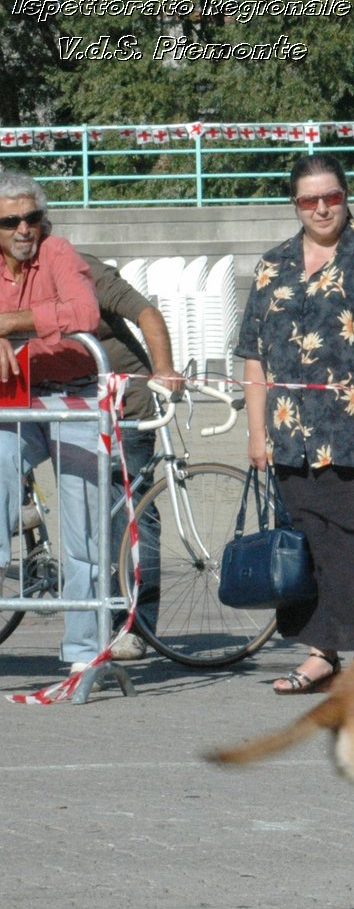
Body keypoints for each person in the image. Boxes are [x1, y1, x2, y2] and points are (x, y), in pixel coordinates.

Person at [234, 153, 354, 694]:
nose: (322, 208)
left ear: (346, 196)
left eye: (331, 197)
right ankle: (321, 653)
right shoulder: (272, 265)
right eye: (309, 200)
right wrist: (256, 432)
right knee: (309, 546)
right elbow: (254, 356)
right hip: (291, 433)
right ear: (295, 204)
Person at [0, 171, 105, 673]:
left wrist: (14, 324)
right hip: (14, 401)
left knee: (82, 530)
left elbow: (85, 311)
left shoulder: (58, 251)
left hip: (75, 398)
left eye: (32, 218)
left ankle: (84, 655)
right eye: (10, 221)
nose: (24, 229)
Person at [80, 253, 183, 661]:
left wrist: (164, 368)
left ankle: (136, 626)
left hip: (125, 406)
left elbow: (147, 314)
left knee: (132, 516)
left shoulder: (84, 269)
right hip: (65, 405)